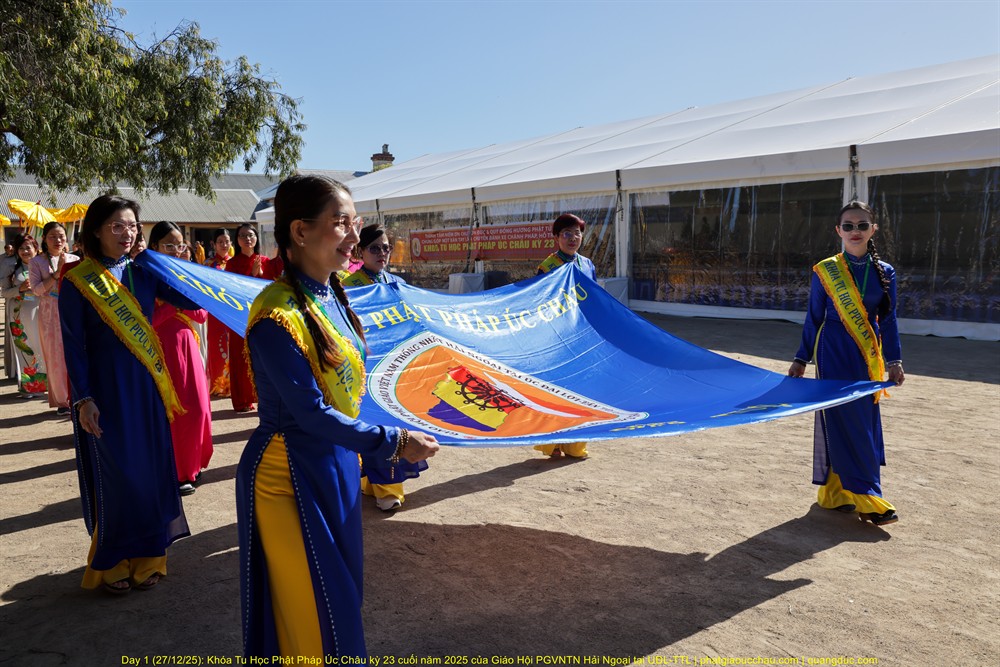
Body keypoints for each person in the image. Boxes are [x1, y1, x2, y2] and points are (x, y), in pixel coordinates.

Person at [236, 174, 439, 660]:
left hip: (337, 465)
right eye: (342, 222)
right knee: (311, 610)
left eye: (356, 222)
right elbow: (309, 413)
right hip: (287, 476)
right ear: (300, 231)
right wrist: (393, 442)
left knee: (341, 599)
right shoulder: (276, 315)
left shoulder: (332, 297)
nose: (355, 235)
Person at [60, 195, 197, 594]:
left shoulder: (144, 272)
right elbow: (74, 346)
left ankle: (151, 557)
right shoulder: (77, 280)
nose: (127, 233)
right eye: (117, 226)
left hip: (146, 386)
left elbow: (193, 298)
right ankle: (113, 560)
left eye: (132, 226)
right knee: (117, 474)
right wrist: (84, 398)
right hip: (105, 389)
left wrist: (180, 264)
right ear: (96, 230)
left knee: (151, 469)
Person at [788, 201, 905, 527]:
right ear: (838, 231)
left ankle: (834, 494)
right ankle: (868, 499)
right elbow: (813, 317)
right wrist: (801, 357)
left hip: (867, 354)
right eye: (849, 225)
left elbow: (889, 320)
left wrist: (895, 360)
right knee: (842, 419)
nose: (856, 231)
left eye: (862, 225)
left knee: (863, 421)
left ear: (873, 230)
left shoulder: (885, 272)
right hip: (833, 352)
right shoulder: (825, 270)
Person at [342, 224, 426, 510]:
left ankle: (377, 485)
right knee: (376, 424)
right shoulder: (349, 286)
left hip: (395, 365)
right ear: (360, 251)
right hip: (366, 368)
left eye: (386, 248)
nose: (382, 253)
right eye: (375, 248)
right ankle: (386, 489)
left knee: (395, 423)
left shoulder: (396, 282)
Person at [148, 221, 214, 497]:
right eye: (169, 245)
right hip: (159, 348)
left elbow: (201, 314)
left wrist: (183, 292)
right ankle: (177, 472)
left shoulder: (184, 273)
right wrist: (173, 304)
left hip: (187, 345)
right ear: (155, 246)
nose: (176, 250)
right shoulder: (144, 274)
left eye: (179, 245)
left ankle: (193, 464)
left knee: (198, 408)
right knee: (170, 411)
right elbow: (146, 319)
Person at [533, 213, 595, 460]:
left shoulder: (587, 264)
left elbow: (594, 299)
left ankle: (575, 445)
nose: (573, 238)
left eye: (577, 233)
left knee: (583, 390)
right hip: (557, 337)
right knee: (557, 390)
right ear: (557, 238)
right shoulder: (547, 267)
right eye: (567, 234)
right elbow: (539, 302)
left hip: (583, 336)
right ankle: (553, 443)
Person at [225, 222, 280, 412]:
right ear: (237, 240)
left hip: (261, 316)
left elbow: (273, 288)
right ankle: (242, 400)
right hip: (239, 316)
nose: (247, 239)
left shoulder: (266, 261)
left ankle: (263, 398)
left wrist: (261, 275)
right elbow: (232, 289)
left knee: (262, 358)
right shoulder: (232, 264)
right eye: (243, 235)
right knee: (240, 358)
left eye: (250, 235)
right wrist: (253, 275)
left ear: (256, 238)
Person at [29, 221, 80, 415]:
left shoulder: (75, 259)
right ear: (44, 239)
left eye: (61, 236)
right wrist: (57, 274)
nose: (58, 240)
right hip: (50, 313)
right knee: (55, 356)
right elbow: (36, 290)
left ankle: (78, 396)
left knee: (75, 352)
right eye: (52, 236)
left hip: (72, 311)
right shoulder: (37, 262)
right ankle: (62, 401)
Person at [2, 234, 47, 397]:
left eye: (28, 247)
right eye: (21, 248)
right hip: (19, 316)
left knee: (42, 347)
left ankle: (44, 385)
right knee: (25, 350)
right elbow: (4, 293)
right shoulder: (12, 269)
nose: (25, 251)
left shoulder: (44, 265)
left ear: (36, 248)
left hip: (42, 312)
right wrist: (19, 289)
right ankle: (28, 387)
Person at [203, 228, 233, 397]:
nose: (224, 245)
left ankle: (232, 385)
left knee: (232, 347)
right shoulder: (207, 264)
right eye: (220, 242)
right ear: (214, 244)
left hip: (231, 311)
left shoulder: (234, 263)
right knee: (216, 347)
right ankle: (217, 385)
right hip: (214, 313)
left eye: (226, 241)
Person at [2, 240, 18, 381]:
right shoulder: (7, 263)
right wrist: (20, 289)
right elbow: (5, 292)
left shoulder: (40, 263)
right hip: (16, 309)